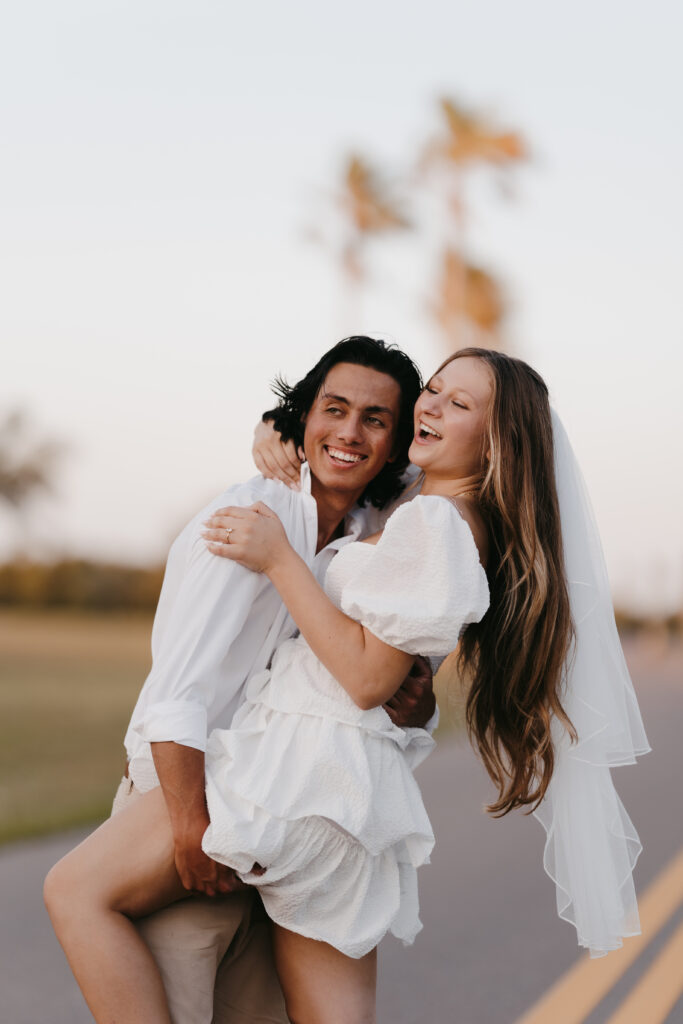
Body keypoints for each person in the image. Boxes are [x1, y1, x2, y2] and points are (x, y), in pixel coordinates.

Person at [45, 348, 648, 1024]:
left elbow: (366, 680)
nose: (432, 406)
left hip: (289, 779)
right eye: (435, 390)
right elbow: (393, 662)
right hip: (346, 801)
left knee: (73, 890)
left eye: (459, 404)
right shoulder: (410, 510)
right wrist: (281, 424)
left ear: (498, 439)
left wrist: (278, 558)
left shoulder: (435, 523)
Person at [46, 335, 437, 1024]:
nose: (349, 432)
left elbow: (442, 479)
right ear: (304, 416)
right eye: (332, 410)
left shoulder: (368, 528)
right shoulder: (246, 520)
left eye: (374, 419)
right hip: (186, 808)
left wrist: (415, 700)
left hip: (280, 822)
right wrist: (191, 831)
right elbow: (176, 696)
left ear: (396, 437)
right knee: (156, 984)